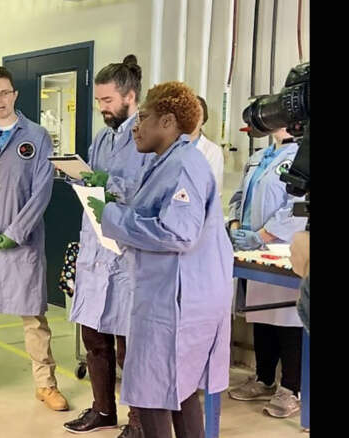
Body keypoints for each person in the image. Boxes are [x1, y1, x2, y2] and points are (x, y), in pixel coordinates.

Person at [86, 81, 233, 438]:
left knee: (154, 395)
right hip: (175, 294)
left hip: (178, 303)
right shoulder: (168, 161)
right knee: (180, 394)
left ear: (167, 122)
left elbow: (178, 232)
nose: (136, 126)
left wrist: (111, 217)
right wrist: (114, 192)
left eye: (145, 118)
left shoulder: (184, 164)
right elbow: (154, 206)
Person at [0, 66, 67, 411]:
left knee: (33, 317)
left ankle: (46, 385)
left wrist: (14, 234)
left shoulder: (36, 136)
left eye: (4, 93)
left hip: (22, 244)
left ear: (15, 94)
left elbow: (42, 191)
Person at [62, 54, 148, 438]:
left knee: (130, 344)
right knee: (93, 335)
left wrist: (108, 185)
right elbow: (93, 185)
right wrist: (76, 176)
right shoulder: (102, 136)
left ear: (130, 96)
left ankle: (140, 420)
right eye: (98, 101)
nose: (102, 109)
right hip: (96, 250)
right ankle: (102, 409)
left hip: (128, 255)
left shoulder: (146, 136)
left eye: (107, 101)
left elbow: (146, 194)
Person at [226, 127, 307, 418]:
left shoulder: (302, 156)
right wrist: (236, 223)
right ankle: (264, 378)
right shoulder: (259, 156)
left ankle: (291, 388)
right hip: (254, 250)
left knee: (287, 318)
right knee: (261, 315)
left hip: (284, 249)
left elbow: (298, 207)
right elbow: (239, 195)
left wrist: (264, 234)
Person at [190, 96, 224, 201]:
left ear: (203, 120)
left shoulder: (213, 151)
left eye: (198, 115)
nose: (193, 119)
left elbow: (215, 192)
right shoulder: (168, 146)